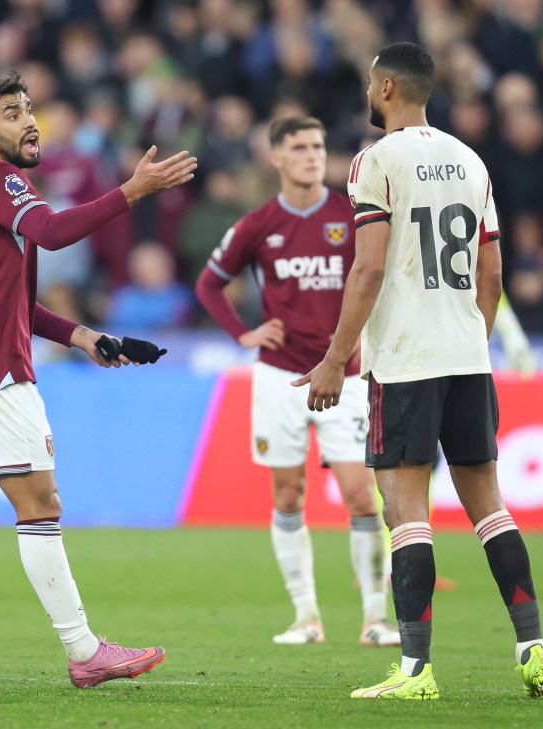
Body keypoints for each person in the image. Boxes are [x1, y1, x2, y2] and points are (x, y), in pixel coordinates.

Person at [0, 70, 196, 690]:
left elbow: (16, 300)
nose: (28, 120)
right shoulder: (1, 181)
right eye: (10, 112)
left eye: (28, 109)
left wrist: (83, 337)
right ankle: (84, 651)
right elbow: (53, 234)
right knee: (41, 505)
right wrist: (131, 190)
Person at [293, 43, 543, 699]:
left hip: (407, 362)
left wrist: (334, 357)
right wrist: (470, 335)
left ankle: (414, 669)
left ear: (385, 88)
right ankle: (533, 648)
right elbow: (491, 274)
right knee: (489, 506)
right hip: (467, 357)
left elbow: (370, 267)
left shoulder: (374, 161)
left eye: (367, 82)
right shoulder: (471, 161)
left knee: (406, 510)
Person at [195, 116, 399, 648]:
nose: (313, 155)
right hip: (279, 377)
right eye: (301, 147)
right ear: (277, 158)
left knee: (360, 495)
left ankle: (375, 616)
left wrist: (365, 335)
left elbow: (381, 278)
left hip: (347, 376)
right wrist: (244, 333)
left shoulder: (349, 214)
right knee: (288, 494)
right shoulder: (258, 223)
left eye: (318, 145)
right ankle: (306, 616)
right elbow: (210, 284)